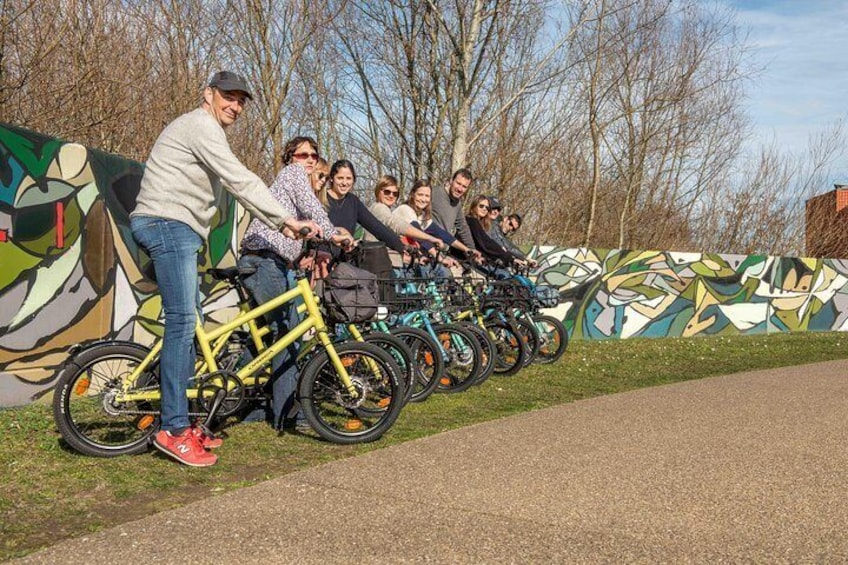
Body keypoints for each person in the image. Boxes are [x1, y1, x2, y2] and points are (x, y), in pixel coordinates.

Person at [130, 71, 319, 467]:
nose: (234, 106)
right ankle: (173, 429)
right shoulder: (201, 126)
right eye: (228, 97)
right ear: (208, 95)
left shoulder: (206, 130)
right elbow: (240, 180)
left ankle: (187, 418)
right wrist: (286, 221)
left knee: (190, 320)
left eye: (240, 101)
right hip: (168, 223)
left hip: (177, 227)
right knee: (182, 322)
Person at [239, 136, 349, 433]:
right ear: (290, 158)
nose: (310, 159)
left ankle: (236, 401)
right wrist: (332, 233)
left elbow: (305, 224)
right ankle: (288, 415)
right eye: (303, 154)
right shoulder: (292, 175)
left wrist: (323, 243)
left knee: (263, 338)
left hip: (276, 263)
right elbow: (310, 207)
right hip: (265, 260)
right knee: (288, 333)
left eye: (314, 155)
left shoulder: (294, 185)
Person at [363, 174, 446, 267]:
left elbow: (391, 244)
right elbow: (398, 225)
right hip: (378, 266)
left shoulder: (386, 210)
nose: (391, 196)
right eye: (387, 192)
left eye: (395, 193)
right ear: (378, 191)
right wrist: (430, 238)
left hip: (387, 262)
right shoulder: (379, 208)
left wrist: (415, 259)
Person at [326, 160, 406, 254]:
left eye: (348, 178)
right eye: (340, 178)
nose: (344, 183)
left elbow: (375, 226)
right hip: (319, 257)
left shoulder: (353, 201)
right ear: (331, 178)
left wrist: (401, 247)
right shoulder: (321, 198)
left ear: (353, 180)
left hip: (343, 259)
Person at [429, 168, 482, 262]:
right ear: (451, 181)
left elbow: (463, 227)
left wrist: (471, 250)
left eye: (464, 187)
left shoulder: (457, 203)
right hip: (428, 248)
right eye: (458, 183)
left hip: (442, 251)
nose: (460, 189)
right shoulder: (434, 192)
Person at [465, 194, 520, 278]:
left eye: (487, 208)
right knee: (504, 276)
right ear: (474, 206)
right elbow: (486, 243)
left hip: (474, 260)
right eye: (481, 206)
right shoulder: (471, 221)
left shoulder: (481, 223)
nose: (484, 209)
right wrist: (510, 258)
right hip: (464, 260)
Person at [487, 197, 536, 267]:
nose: (510, 228)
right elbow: (506, 246)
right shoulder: (493, 223)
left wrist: (523, 259)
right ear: (506, 219)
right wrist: (527, 258)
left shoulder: (500, 231)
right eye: (510, 224)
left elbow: (508, 244)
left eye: (513, 229)